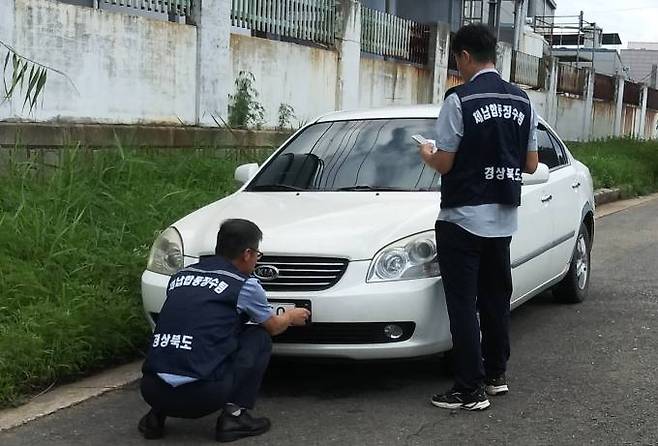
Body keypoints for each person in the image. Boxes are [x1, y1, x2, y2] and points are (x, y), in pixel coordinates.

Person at [418, 24, 539, 411]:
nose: (458, 66)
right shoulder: (523, 101)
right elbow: (532, 163)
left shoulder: (459, 100)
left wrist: (427, 155)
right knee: (495, 298)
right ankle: (495, 375)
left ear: (465, 56)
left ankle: (469, 389)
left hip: (463, 218)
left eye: (457, 59)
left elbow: (446, 161)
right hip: (503, 218)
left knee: (462, 304)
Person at [138, 219, 311, 441]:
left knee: (187, 331)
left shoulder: (181, 276)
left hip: (151, 390)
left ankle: (156, 416)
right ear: (247, 254)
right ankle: (234, 416)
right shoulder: (244, 284)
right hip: (202, 397)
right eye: (258, 255)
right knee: (259, 336)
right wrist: (290, 316)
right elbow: (274, 327)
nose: (257, 260)